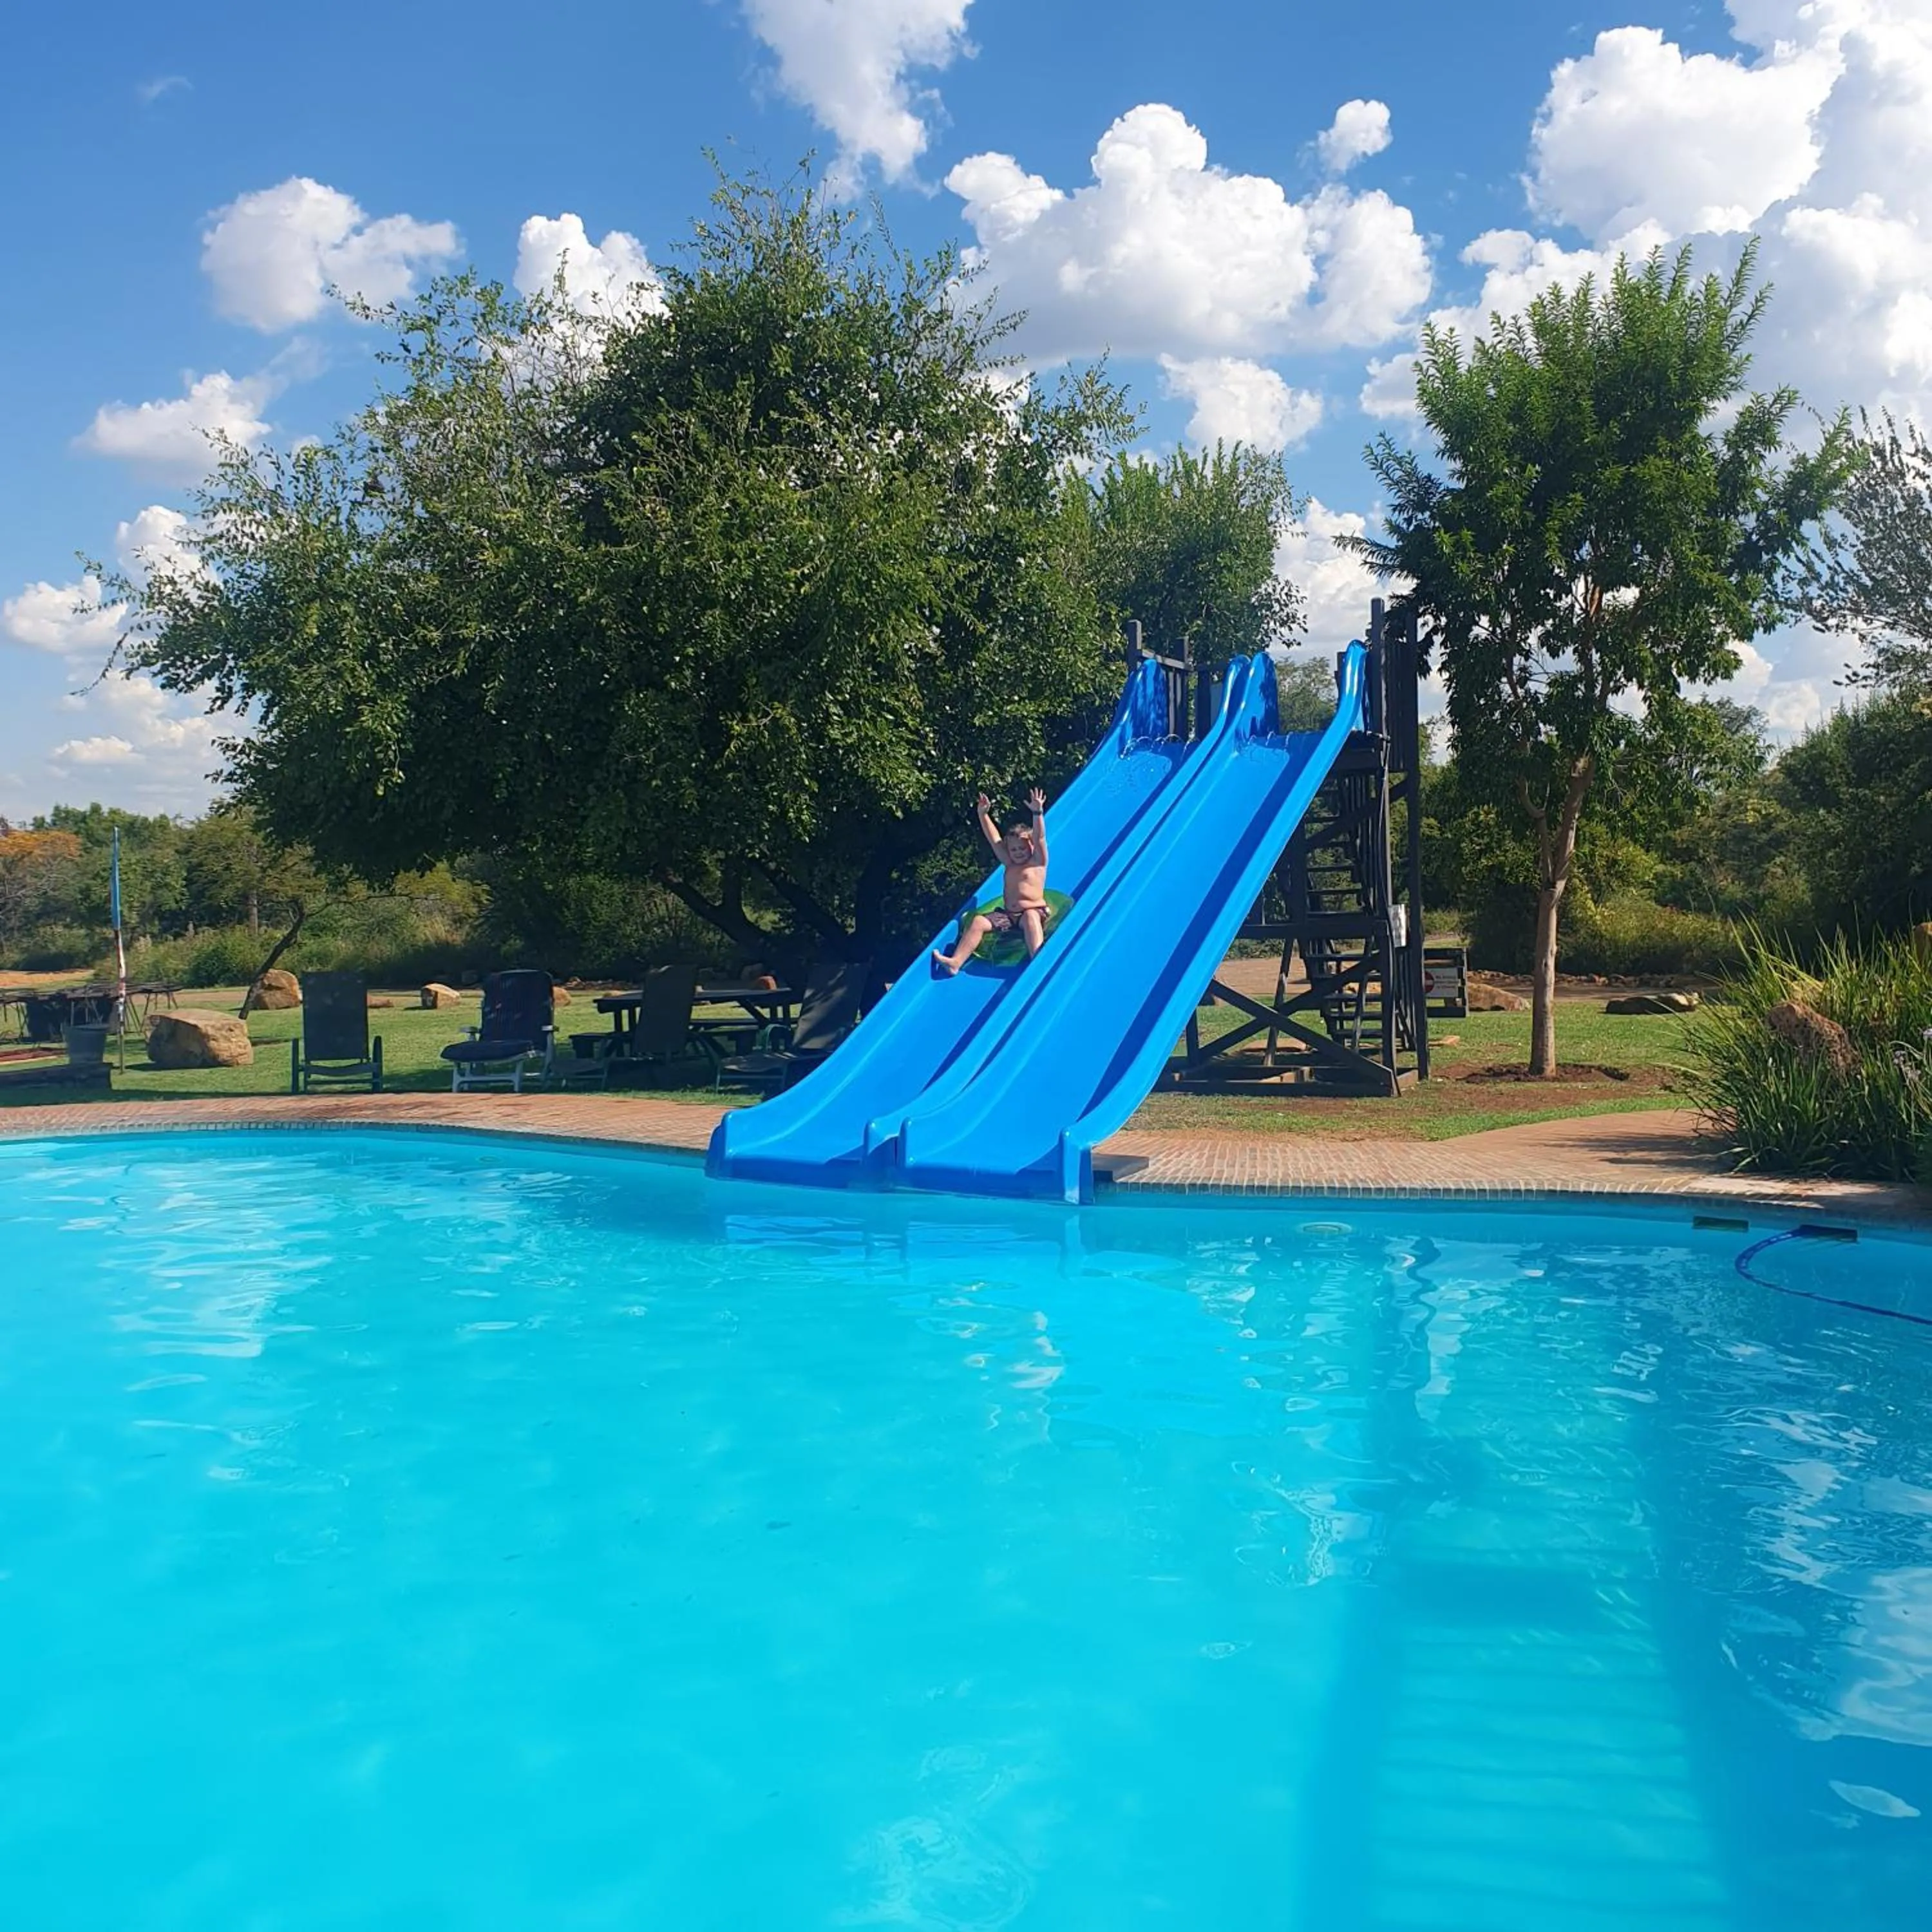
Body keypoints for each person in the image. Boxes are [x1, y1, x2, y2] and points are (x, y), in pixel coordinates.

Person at [933, 788, 1050, 973]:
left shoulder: (1038, 862)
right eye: (1013, 850)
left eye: (1022, 848)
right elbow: (994, 839)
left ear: (1031, 846)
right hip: (1009, 916)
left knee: (1029, 917)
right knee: (979, 922)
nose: (1018, 853)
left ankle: (1038, 960)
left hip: (1034, 911)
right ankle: (956, 962)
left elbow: (1040, 837)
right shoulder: (1009, 863)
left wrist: (1037, 812)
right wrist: (983, 814)